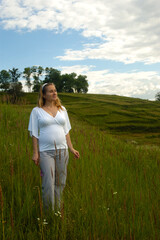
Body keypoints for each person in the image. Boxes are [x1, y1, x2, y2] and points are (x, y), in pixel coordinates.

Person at [28, 83, 80, 213]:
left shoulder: (62, 109)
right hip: (46, 152)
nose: (54, 93)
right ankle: (48, 213)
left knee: (60, 182)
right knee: (48, 183)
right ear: (44, 95)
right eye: (51, 91)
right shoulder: (37, 111)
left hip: (63, 151)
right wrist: (35, 153)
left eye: (55, 91)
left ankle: (57, 210)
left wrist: (71, 148)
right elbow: (34, 133)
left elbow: (66, 131)